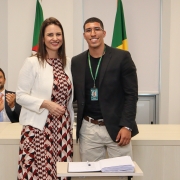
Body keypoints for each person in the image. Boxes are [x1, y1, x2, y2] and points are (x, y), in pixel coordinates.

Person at [71, 17, 139, 162]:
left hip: (118, 127)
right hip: (88, 129)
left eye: (97, 29)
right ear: (84, 35)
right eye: (88, 30)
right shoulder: (76, 61)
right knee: (91, 176)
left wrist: (127, 126)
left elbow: (131, 94)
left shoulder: (122, 57)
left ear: (104, 33)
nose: (93, 33)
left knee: (122, 173)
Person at [16, 17, 74, 180]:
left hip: (63, 130)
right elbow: (20, 96)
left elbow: (69, 97)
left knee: (61, 173)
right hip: (38, 129)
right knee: (38, 174)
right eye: (50, 35)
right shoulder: (32, 62)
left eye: (58, 34)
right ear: (42, 38)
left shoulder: (68, 63)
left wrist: (70, 127)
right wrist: (45, 104)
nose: (55, 38)